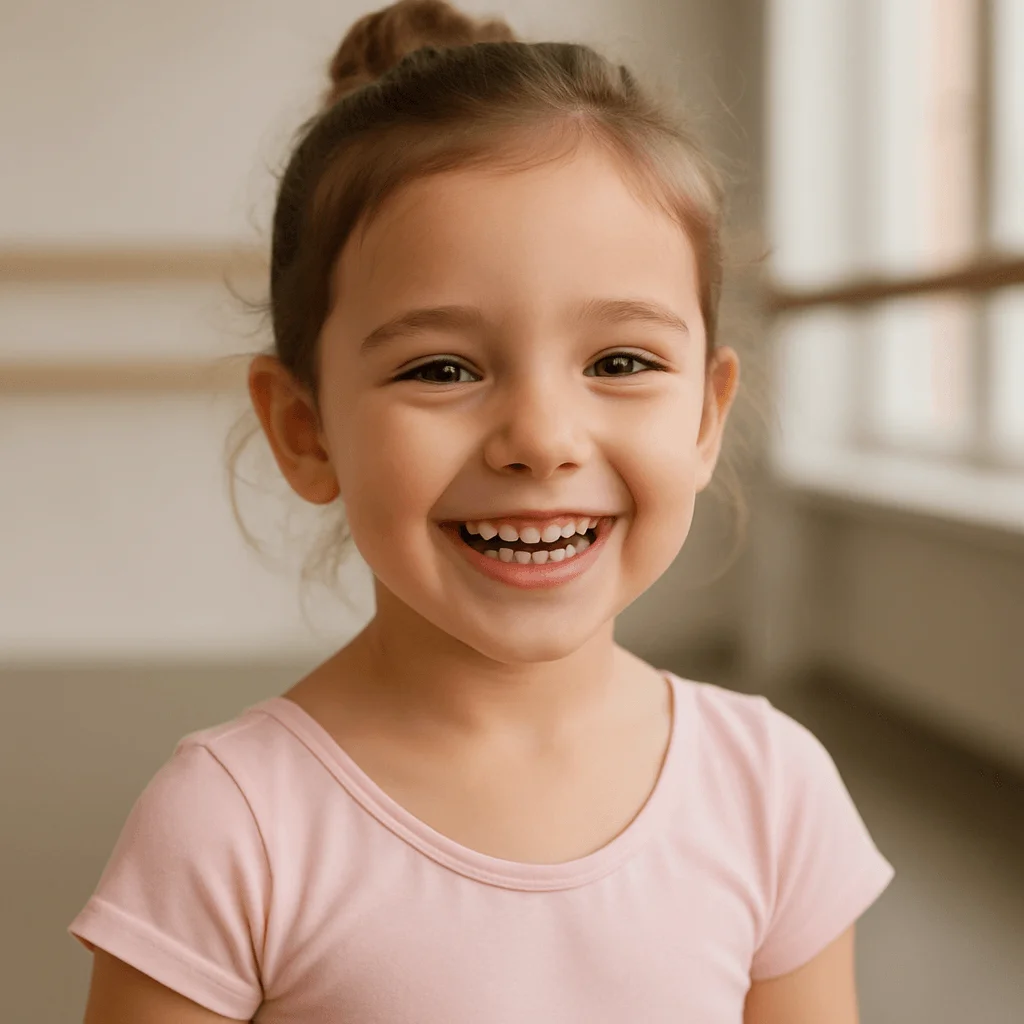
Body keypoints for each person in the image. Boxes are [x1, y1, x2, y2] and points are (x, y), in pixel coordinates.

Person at [70, 2, 894, 1021]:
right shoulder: (231, 825)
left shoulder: (771, 790)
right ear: (305, 428)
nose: (540, 437)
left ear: (705, 415)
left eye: (620, 361)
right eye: (442, 367)